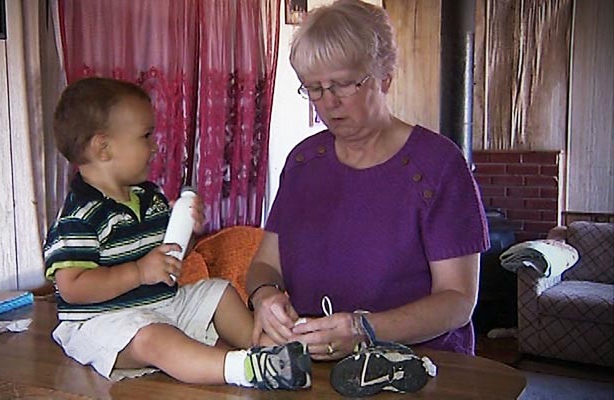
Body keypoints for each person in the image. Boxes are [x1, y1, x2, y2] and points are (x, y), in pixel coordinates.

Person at [246, 0, 489, 395]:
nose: (328, 102)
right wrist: (265, 296)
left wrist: (364, 330)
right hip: (315, 372)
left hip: (419, 373)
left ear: (384, 77)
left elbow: (457, 300)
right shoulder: (303, 162)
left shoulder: (438, 165)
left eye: (343, 84)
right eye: (314, 88)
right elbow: (265, 265)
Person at [43, 77, 311, 390]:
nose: (154, 146)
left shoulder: (149, 197)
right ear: (103, 147)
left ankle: (271, 348)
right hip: (104, 323)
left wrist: (187, 231)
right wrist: (139, 272)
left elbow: (171, 259)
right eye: (145, 136)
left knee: (220, 292)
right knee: (155, 338)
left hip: (162, 304)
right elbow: (72, 287)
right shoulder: (79, 217)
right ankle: (245, 369)